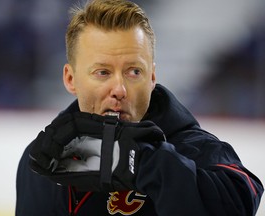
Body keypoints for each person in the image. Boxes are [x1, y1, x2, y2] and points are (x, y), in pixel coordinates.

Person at [15, 0, 263, 215]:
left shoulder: (194, 149)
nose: (119, 89)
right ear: (71, 79)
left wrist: (144, 160)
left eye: (134, 72)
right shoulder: (38, 159)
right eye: (102, 72)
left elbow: (241, 198)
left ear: (152, 77)